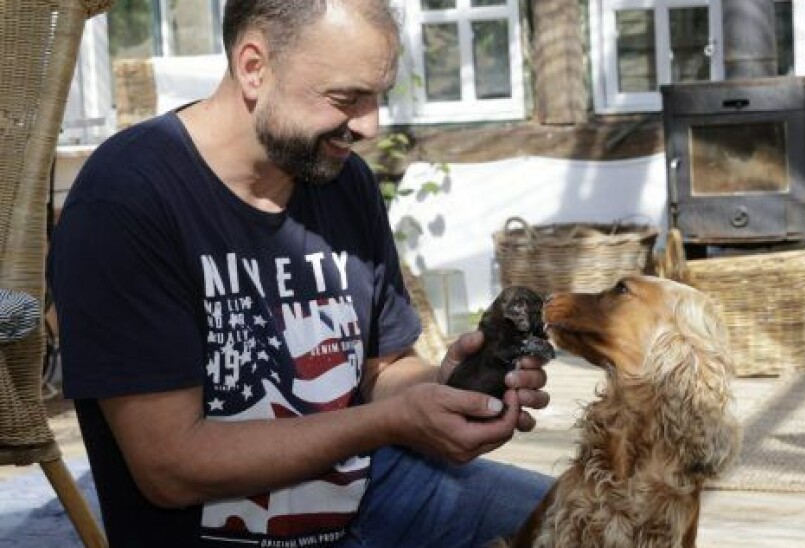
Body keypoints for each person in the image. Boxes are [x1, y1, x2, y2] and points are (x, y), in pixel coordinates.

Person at [48, 1, 553, 546]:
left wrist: (447, 385)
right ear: (254, 68)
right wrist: (391, 422)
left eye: (377, 96)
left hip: (375, 491)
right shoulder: (126, 200)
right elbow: (170, 468)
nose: (369, 125)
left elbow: (381, 372)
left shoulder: (342, 180)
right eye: (346, 98)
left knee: (597, 519)